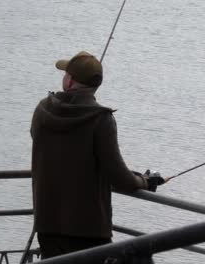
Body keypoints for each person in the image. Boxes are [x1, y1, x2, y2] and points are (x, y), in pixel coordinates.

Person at [30, 51, 166, 261]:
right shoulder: (100, 119)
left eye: (65, 73)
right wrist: (144, 181)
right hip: (87, 226)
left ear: (70, 80)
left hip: (48, 222)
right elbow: (119, 177)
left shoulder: (43, 110)